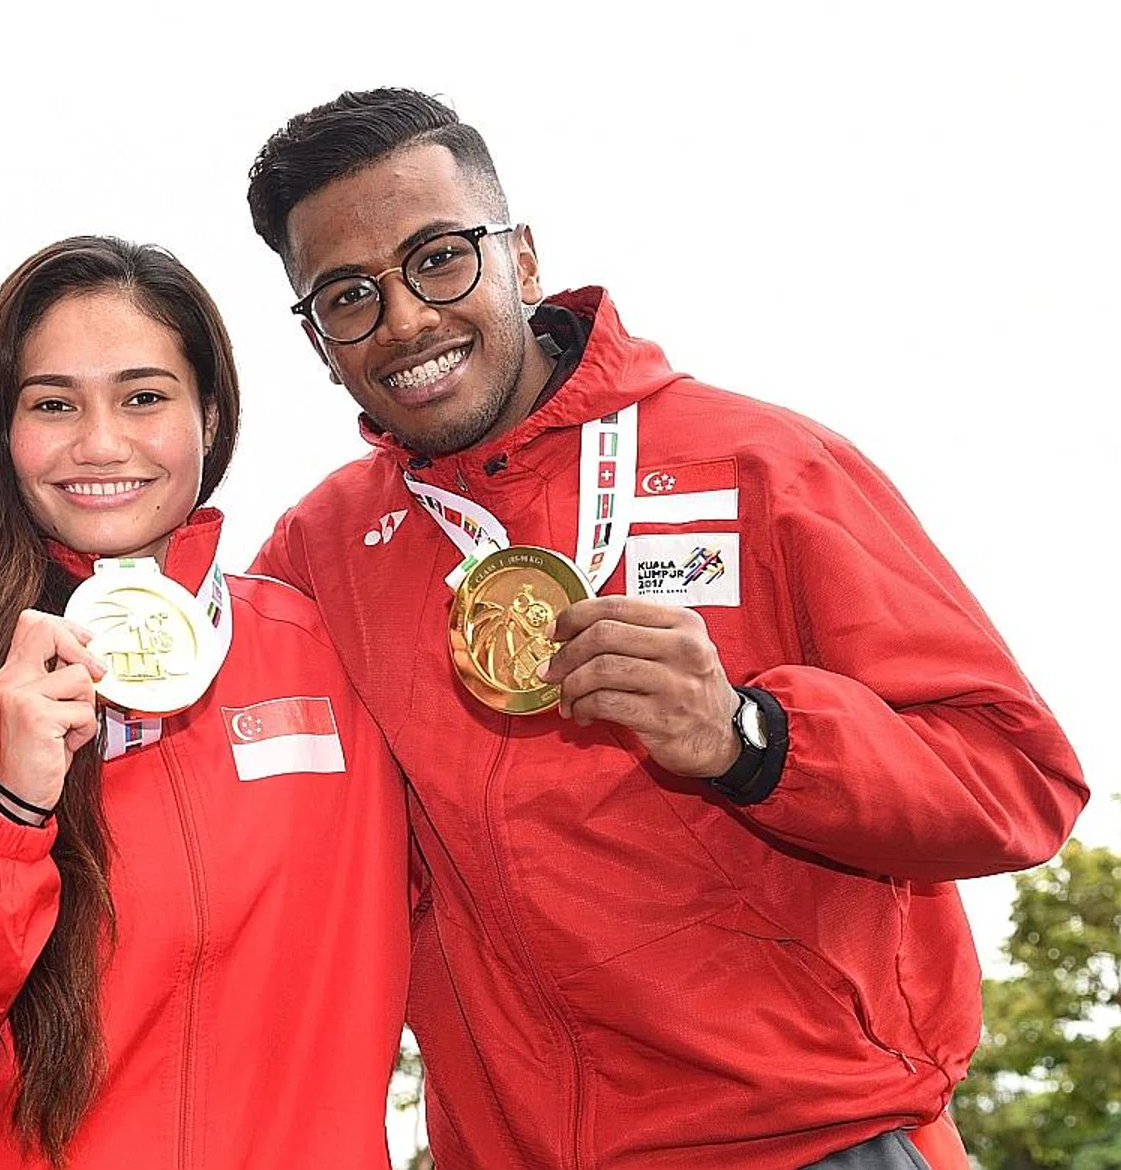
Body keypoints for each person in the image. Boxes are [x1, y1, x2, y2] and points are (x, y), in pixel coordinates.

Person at [243, 89, 1087, 1169]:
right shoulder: (319, 550)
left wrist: (754, 738)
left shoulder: (761, 464)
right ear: (318, 342)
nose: (405, 320)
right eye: (347, 295)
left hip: (813, 1142)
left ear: (524, 259)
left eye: (439, 258)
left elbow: (1020, 781)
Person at [0, 236, 409, 1167]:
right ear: (2, 435)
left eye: (144, 397)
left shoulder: (321, 653)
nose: (100, 444)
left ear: (212, 415)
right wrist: (9, 815)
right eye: (54, 404)